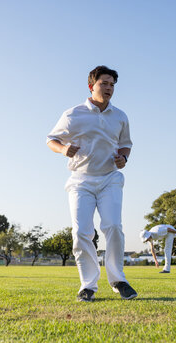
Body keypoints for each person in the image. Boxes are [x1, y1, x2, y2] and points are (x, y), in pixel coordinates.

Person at [47, 65, 136, 302]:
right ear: (91, 86)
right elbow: (51, 140)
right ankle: (87, 285)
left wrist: (123, 158)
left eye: (112, 85)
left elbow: (126, 144)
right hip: (80, 180)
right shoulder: (73, 114)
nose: (108, 88)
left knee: (113, 227)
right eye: (104, 83)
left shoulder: (120, 116)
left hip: (110, 178)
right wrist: (64, 148)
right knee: (81, 232)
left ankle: (119, 280)